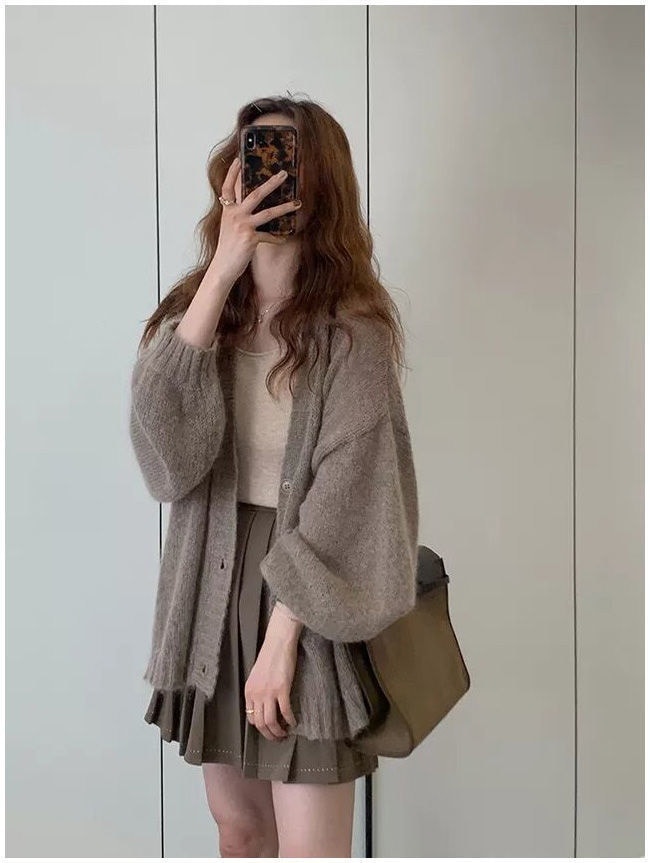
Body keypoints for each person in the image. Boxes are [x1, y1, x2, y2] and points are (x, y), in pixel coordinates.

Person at [129, 95, 419, 858]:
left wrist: (283, 636)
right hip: (210, 582)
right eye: (254, 159)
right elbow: (165, 458)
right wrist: (222, 270)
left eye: (286, 164)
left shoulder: (352, 334)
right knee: (241, 831)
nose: (268, 179)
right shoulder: (199, 315)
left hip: (307, 592)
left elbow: (352, 499)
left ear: (321, 186)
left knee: (311, 848)